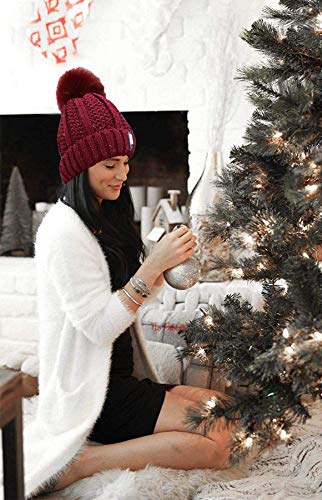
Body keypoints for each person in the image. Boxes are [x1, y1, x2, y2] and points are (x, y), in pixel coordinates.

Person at [26, 67, 235, 498]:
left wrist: (162, 268)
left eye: (125, 162)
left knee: (228, 412)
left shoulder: (101, 218)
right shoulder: (63, 231)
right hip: (95, 393)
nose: (122, 174)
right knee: (221, 442)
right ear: (81, 166)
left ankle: (110, 448)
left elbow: (126, 300)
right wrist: (150, 266)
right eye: (109, 164)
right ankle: (84, 461)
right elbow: (98, 326)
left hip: (120, 380)